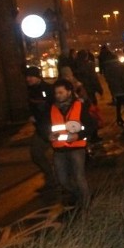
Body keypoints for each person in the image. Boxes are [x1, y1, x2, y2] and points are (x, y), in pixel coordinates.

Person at [47, 78, 96, 210]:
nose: (58, 95)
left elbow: (91, 126)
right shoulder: (52, 108)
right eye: (56, 93)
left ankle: (87, 206)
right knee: (63, 180)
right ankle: (79, 195)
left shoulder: (79, 106)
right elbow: (48, 126)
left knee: (79, 176)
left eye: (61, 92)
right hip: (59, 149)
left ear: (69, 92)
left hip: (77, 148)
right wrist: (49, 135)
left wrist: (77, 135)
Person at [25, 66, 58, 193]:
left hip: (51, 128)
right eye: (27, 77)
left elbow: (50, 108)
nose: (28, 79)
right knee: (36, 154)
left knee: (61, 155)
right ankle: (51, 178)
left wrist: (37, 117)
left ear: (37, 76)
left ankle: (61, 180)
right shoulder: (31, 90)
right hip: (41, 129)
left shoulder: (48, 89)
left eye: (31, 76)